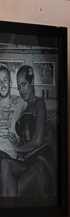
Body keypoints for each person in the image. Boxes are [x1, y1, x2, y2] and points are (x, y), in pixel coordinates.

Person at [0, 63, 56, 197]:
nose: (21, 90)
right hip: (28, 160)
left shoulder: (39, 103)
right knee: (5, 164)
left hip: (42, 158)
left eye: (24, 84)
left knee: (15, 189)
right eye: (19, 86)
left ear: (32, 81)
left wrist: (18, 148)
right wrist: (19, 146)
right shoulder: (24, 107)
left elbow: (37, 140)